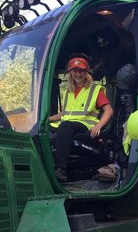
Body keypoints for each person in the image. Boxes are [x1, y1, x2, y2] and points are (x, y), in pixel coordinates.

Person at [49, 53, 114, 182]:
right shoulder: (68, 92)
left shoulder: (95, 90)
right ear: (70, 73)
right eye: (75, 71)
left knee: (65, 127)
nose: (78, 74)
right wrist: (46, 119)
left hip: (85, 127)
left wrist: (98, 126)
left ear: (86, 73)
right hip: (68, 126)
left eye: (81, 71)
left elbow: (109, 110)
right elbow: (65, 113)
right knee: (47, 131)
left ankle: (60, 170)